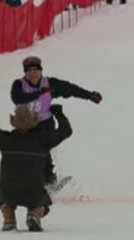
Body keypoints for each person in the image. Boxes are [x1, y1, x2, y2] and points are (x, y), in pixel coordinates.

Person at [0, 102, 72, 232]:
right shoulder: (43, 140)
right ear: (34, 122)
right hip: (34, 192)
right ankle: (33, 215)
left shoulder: (5, 139)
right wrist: (58, 113)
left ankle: (9, 219)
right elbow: (66, 130)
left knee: (3, 200)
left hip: (7, 191)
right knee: (42, 202)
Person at [10, 56, 102, 185]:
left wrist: (89, 95)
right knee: (24, 154)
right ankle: (22, 181)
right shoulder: (19, 85)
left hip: (45, 124)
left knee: (43, 152)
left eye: (35, 70)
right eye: (28, 71)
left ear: (41, 71)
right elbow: (17, 99)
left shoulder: (50, 84)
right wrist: (39, 94)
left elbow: (70, 89)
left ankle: (50, 183)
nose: (32, 74)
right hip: (26, 125)